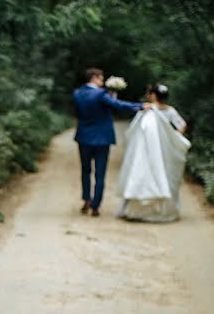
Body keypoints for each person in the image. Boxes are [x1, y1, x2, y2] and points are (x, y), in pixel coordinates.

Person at [73, 68, 151, 216]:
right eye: (101, 79)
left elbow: (77, 113)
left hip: (83, 137)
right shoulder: (101, 94)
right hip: (102, 138)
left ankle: (86, 199)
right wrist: (140, 106)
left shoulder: (77, 93)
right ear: (95, 78)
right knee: (100, 174)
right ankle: (95, 206)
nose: (102, 83)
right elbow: (119, 106)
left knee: (85, 170)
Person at [116, 84, 192, 222]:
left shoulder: (146, 110)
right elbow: (182, 125)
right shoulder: (170, 111)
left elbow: (136, 129)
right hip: (164, 152)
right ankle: (162, 209)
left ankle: (138, 209)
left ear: (153, 95)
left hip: (146, 151)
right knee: (164, 175)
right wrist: (172, 137)